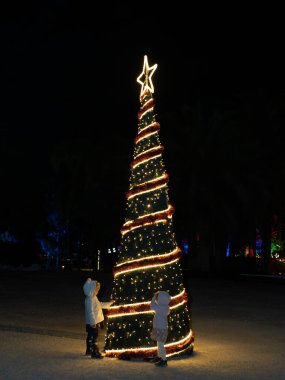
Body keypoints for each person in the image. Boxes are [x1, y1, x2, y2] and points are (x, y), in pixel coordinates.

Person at [83, 278, 114, 359]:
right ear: (91, 290)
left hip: (93, 322)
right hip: (93, 322)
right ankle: (94, 351)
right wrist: (93, 322)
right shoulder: (90, 300)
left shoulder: (93, 298)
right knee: (94, 336)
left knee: (91, 335)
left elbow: (100, 305)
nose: (97, 291)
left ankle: (89, 349)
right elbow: (90, 312)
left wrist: (109, 304)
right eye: (96, 290)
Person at [150, 290, 171, 367]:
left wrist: (152, 298)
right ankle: (159, 357)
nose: (156, 300)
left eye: (157, 298)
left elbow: (152, 306)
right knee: (159, 344)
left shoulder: (160, 307)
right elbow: (167, 312)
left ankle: (164, 360)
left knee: (161, 345)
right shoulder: (166, 307)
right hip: (161, 328)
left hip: (160, 328)